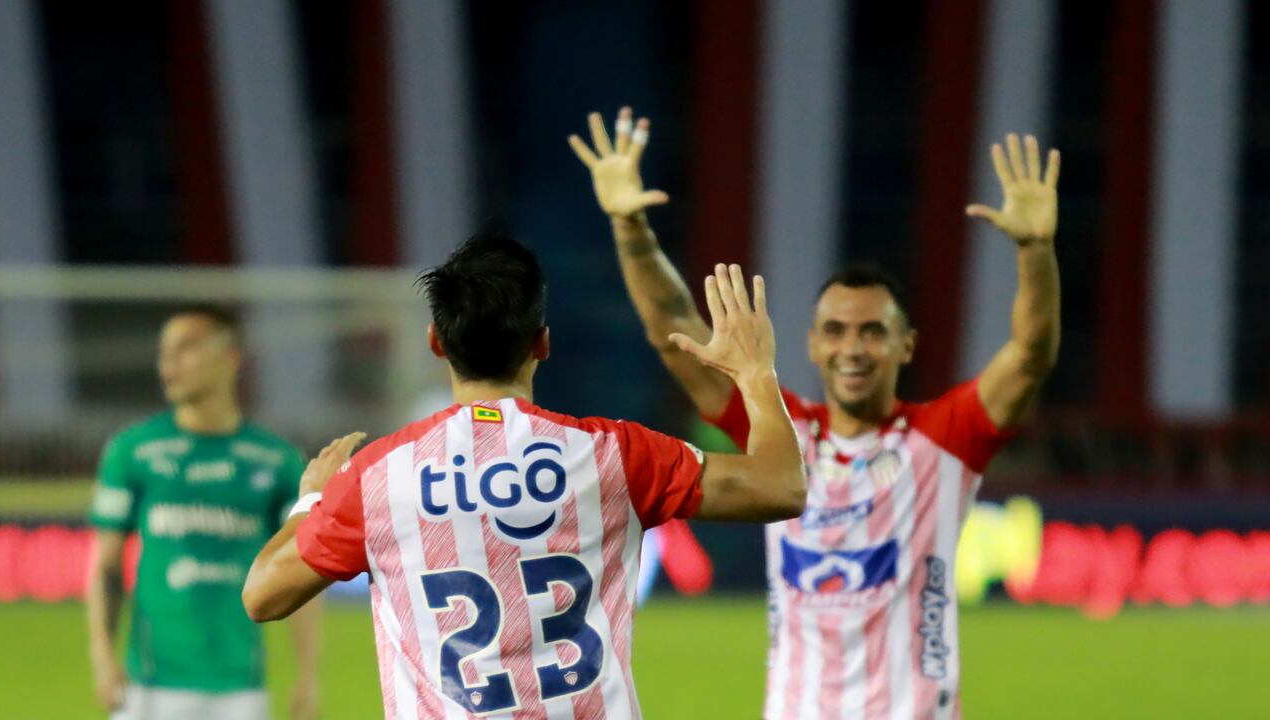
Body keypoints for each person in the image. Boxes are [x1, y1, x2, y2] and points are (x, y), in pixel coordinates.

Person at [569, 108, 1061, 718]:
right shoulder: (780, 433)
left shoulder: (944, 436)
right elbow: (673, 332)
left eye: (872, 332)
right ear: (810, 344)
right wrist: (630, 228)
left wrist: (1035, 249)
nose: (852, 348)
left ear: (907, 345)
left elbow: (1031, 355)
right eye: (835, 331)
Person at [242, 233, 807, 719]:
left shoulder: (378, 476)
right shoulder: (615, 455)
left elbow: (262, 597)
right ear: (542, 343)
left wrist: (308, 501)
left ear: (436, 341)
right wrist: (756, 373)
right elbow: (781, 486)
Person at [86, 306, 320, 720]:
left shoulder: (277, 461)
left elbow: (300, 570)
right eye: (164, 352)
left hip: (239, 688)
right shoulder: (133, 451)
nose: (169, 363)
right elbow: (105, 565)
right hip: (149, 685)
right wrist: (103, 655)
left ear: (230, 357)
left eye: (186, 348)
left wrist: (307, 674)